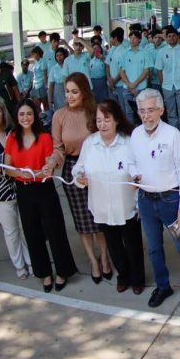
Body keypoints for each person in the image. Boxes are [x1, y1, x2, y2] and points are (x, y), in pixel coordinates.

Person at [129, 88, 180, 310]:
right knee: (154, 248)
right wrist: (134, 174)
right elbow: (131, 162)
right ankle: (163, 286)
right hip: (146, 201)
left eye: (151, 110)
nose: (146, 116)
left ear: (161, 110)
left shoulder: (172, 135)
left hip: (171, 202)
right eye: (142, 111)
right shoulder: (135, 134)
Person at [3, 99, 78, 292]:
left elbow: (48, 168)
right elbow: (7, 167)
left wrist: (37, 173)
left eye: (29, 114)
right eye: (21, 114)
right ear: (16, 117)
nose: (25, 118)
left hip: (44, 188)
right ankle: (44, 273)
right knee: (32, 232)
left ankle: (63, 271)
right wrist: (21, 174)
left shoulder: (44, 137)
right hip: (23, 189)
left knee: (55, 230)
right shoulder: (13, 138)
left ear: (35, 116)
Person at [45, 72, 113, 283]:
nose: (69, 96)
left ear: (84, 92)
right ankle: (93, 261)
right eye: (67, 91)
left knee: (99, 218)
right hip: (72, 169)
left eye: (74, 92)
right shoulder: (59, 116)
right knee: (83, 221)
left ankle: (105, 258)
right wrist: (51, 163)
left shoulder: (95, 112)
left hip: (97, 169)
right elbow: (58, 148)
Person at [73, 100, 145, 294]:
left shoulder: (128, 142)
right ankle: (123, 275)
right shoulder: (90, 143)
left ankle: (137, 278)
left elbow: (138, 171)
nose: (102, 124)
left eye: (107, 119)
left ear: (116, 120)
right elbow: (77, 169)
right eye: (99, 120)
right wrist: (80, 177)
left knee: (133, 245)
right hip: (102, 205)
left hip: (127, 205)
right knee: (114, 245)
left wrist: (138, 191)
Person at [0, 97, 31, 279]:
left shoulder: (15, 134)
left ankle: (31, 262)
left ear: (3, 113)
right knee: (11, 232)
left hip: (21, 188)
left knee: (26, 228)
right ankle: (20, 266)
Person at [155, 26, 180, 130]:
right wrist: (162, 83)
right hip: (167, 86)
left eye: (173, 36)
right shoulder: (161, 52)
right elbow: (159, 69)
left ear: (177, 37)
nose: (171, 38)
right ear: (166, 38)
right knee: (171, 113)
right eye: (169, 36)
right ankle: (174, 133)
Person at [118, 30, 153, 124]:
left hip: (141, 88)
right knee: (129, 112)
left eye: (134, 38)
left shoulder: (145, 53)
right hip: (127, 88)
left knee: (142, 111)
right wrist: (130, 85)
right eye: (131, 38)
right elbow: (121, 71)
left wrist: (134, 84)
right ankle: (131, 130)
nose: (132, 40)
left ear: (140, 40)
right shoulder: (125, 53)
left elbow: (147, 71)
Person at [48, 48, 69, 112]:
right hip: (58, 93)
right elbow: (51, 85)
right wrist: (50, 100)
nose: (59, 57)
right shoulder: (54, 69)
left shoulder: (69, 66)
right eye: (57, 56)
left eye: (61, 55)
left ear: (65, 55)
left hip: (68, 89)